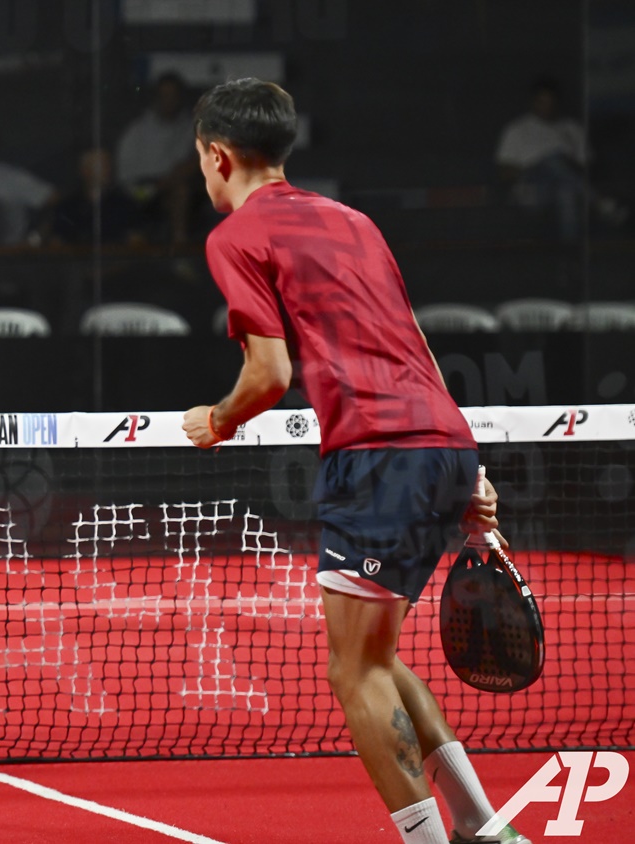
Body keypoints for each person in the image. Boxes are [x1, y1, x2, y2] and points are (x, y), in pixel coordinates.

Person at [180, 79, 529, 844]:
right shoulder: (353, 221)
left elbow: (268, 376)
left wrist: (217, 419)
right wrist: (467, 461)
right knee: (374, 653)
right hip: (440, 440)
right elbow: (417, 343)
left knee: (354, 672)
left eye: (200, 163)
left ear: (218, 156)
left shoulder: (235, 236)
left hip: (377, 456)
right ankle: (481, 827)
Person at [495, 76, 626, 243]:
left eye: (550, 102)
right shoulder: (517, 129)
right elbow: (504, 172)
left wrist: (565, 165)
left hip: (567, 185)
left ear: (557, 102)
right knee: (552, 160)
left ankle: (570, 253)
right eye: (541, 101)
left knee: (567, 192)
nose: (546, 107)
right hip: (530, 191)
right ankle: (601, 203)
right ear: (533, 102)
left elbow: (586, 167)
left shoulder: (572, 128)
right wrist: (541, 165)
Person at [115, 72, 200, 245]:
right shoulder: (137, 130)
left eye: (173, 95)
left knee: (183, 188)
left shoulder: (190, 127)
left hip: (174, 189)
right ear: (156, 97)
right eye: (164, 95)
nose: (169, 100)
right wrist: (150, 189)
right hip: (138, 190)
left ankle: (180, 248)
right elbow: (124, 176)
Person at [49, 147, 144, 246]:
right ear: (85, 170)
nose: (108, 170)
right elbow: (56, 243)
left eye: (109, 165)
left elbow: (137, 244)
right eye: (102, 165)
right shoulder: (67, 206)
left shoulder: (125, 204)